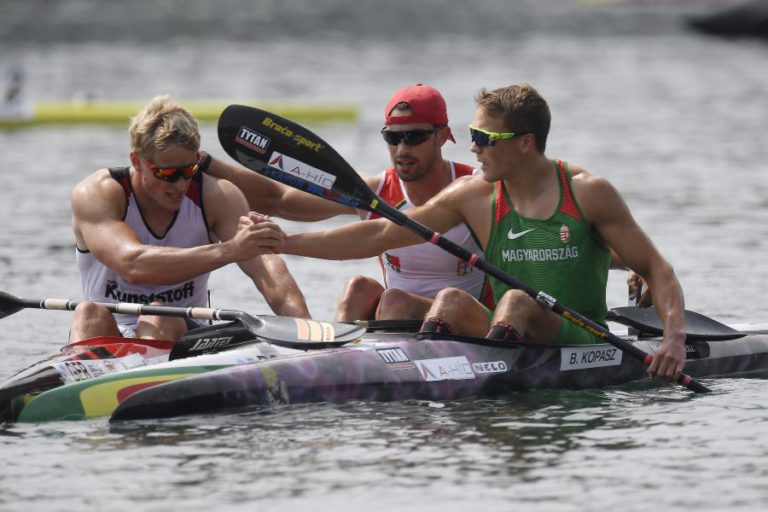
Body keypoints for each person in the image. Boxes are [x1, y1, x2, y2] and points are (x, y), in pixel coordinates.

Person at [274, 83, 687, 380]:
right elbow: (380, 236)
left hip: (577, 336)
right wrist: (286, 242)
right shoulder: (473, 196)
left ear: (525, 143)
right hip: (505, 326)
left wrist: (672, 340)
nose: (473, 148)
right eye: (474, 136)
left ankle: (482, 381)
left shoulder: (588, 192)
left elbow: (659, 268)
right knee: (450, 300)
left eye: (484, 138)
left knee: (517, 301)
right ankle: (417, 379)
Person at [206, 84, 484, 322]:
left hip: (467, 319)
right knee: (358, 288)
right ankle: (333, 353)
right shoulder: (374, 191)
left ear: (442, 136)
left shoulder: (476, 188)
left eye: (414, 137)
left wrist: (287, 242)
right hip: (400, 316)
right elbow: (277, 199)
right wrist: (206, 164)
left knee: (394, 301)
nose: (402, 149)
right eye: (393, 137)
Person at [70, 95, 309, 342]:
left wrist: (307, 332)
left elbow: (268, 271)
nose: (181, 185)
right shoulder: (96, 194)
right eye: (167, 173)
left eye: (189, 170)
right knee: (88, 312)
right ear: (136, 161)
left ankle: (146, 365)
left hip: (184, 335)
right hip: (110, 330)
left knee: (158, 314)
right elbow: (132, 265)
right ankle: (80, 365)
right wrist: (230, 250)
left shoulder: (217, 196)